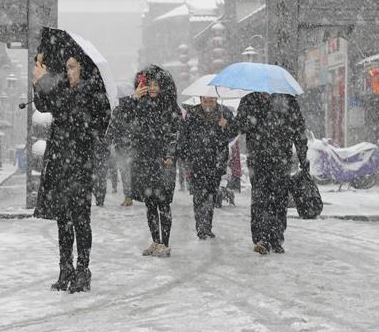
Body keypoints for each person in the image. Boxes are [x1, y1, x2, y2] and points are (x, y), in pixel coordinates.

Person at [33, 50, 111, 293]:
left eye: (73, 67)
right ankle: (65, 268)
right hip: (59, 162)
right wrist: (39, 82)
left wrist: (47, 82)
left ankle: (82, 269)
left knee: (80, 220)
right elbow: (44, 104)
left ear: (83, 69)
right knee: (63, 219)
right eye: (66, 68)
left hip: (79, 164)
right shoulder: (64, 89)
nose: (69, 72)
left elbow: (72, 110)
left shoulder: (90, 93)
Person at [108, 66, 181, 257]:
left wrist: (170, 155)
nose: (153, 88)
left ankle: (164, 243)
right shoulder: (139, 105)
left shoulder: (170, 107)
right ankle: (155, 241)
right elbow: (118, 121)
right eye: (149, 84)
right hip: (143, 160)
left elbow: (176, 133)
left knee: (163, 203)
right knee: (150, 204)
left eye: (157, 84)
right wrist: (134, 99)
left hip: (164, 161)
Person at [236, 92, 309, 254]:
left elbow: (299, 131)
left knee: (279, 199)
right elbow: (239, 126)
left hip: (281, 160)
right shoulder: (249, 100)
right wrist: (250, 120)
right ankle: (261, 238)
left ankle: (276, 237)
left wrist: (303, 157)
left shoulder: (288, 100)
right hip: (257, 159)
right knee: (259, 199)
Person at [177, 96, 236, 239]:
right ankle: (201, 228)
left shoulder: (225, 112)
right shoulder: (192, 113)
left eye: (211, 101)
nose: (208, 104)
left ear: (216, 99)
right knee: (199, 195)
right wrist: (184, 155)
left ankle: (207, 226)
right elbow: (185, 135)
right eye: (205, 101)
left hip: (216, 161)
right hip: (196, 161)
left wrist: (226, 126)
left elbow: (233, 133)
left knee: (211, 194)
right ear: (200, 99)